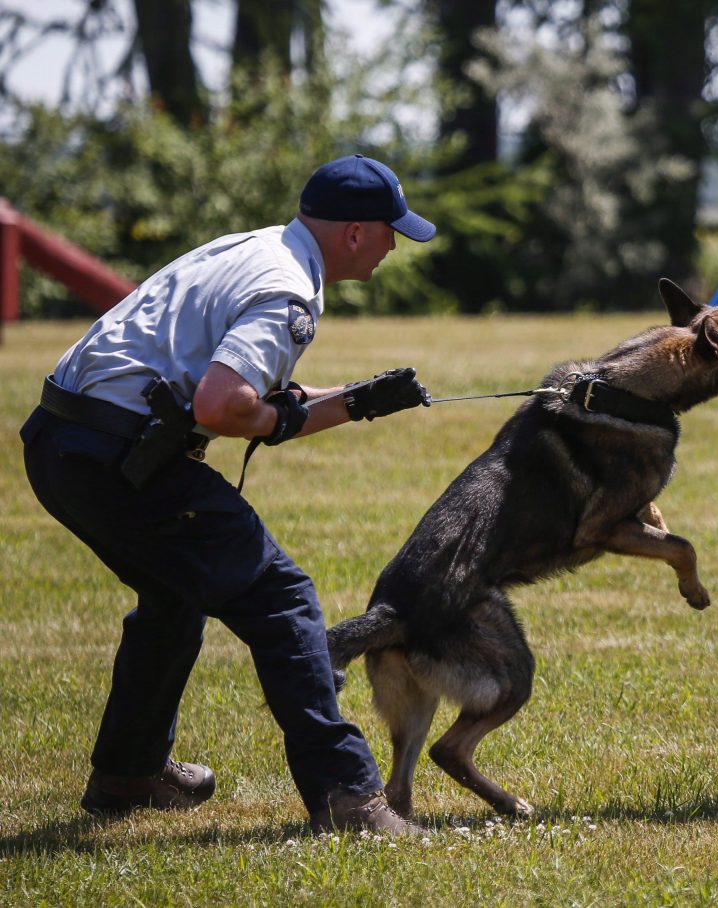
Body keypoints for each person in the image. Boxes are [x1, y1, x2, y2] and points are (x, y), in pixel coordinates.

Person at [21, 154, 439, 837]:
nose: (396, 243)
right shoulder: (289, 290)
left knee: (173, 595)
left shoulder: (251, 247)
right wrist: (288, 413)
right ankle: (349, 798)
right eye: (392, 230)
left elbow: (245, 402)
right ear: (356, 233)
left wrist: (357, 402)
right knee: (281, 597)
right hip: (118, 457)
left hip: (63, 444)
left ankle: (128, 773)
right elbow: (225, 405)